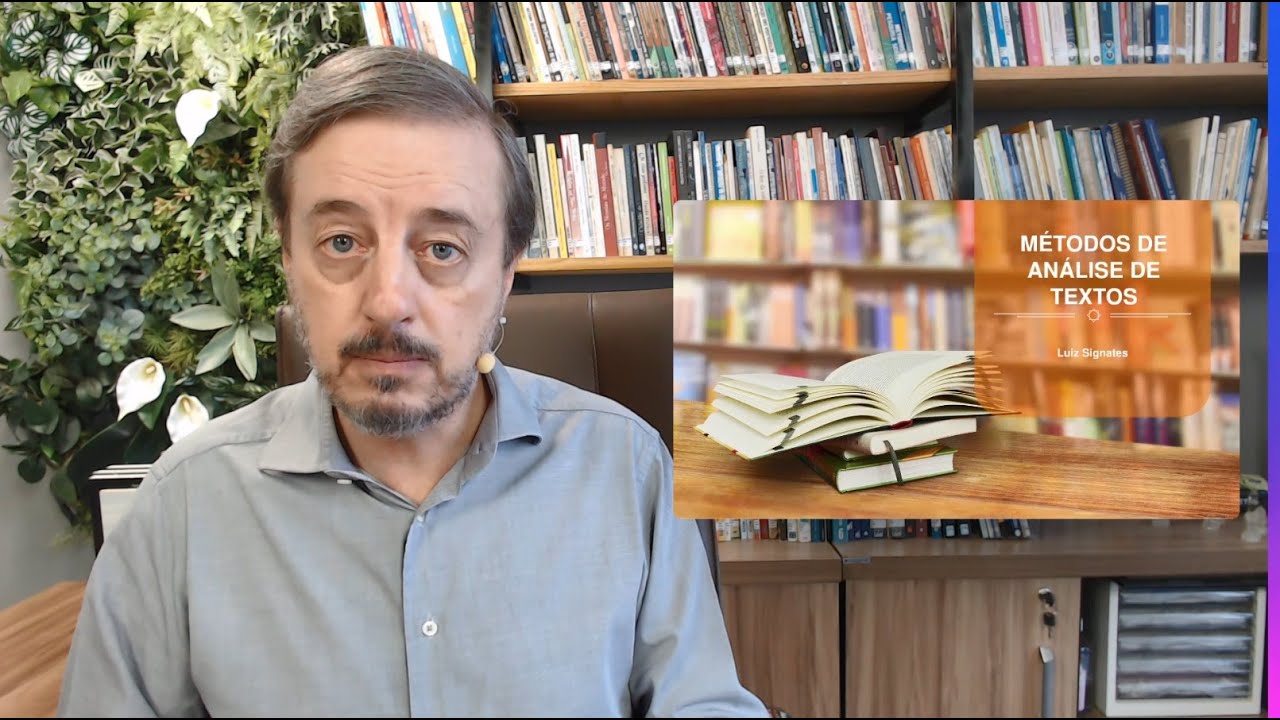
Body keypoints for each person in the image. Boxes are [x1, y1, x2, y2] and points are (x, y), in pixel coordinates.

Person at [57, 45, 769, 718]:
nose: (388, 299)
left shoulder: (627, 468)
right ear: (289, 258)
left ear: (506, 272)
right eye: (342, 242)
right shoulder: (182, 507)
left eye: (443, 249)